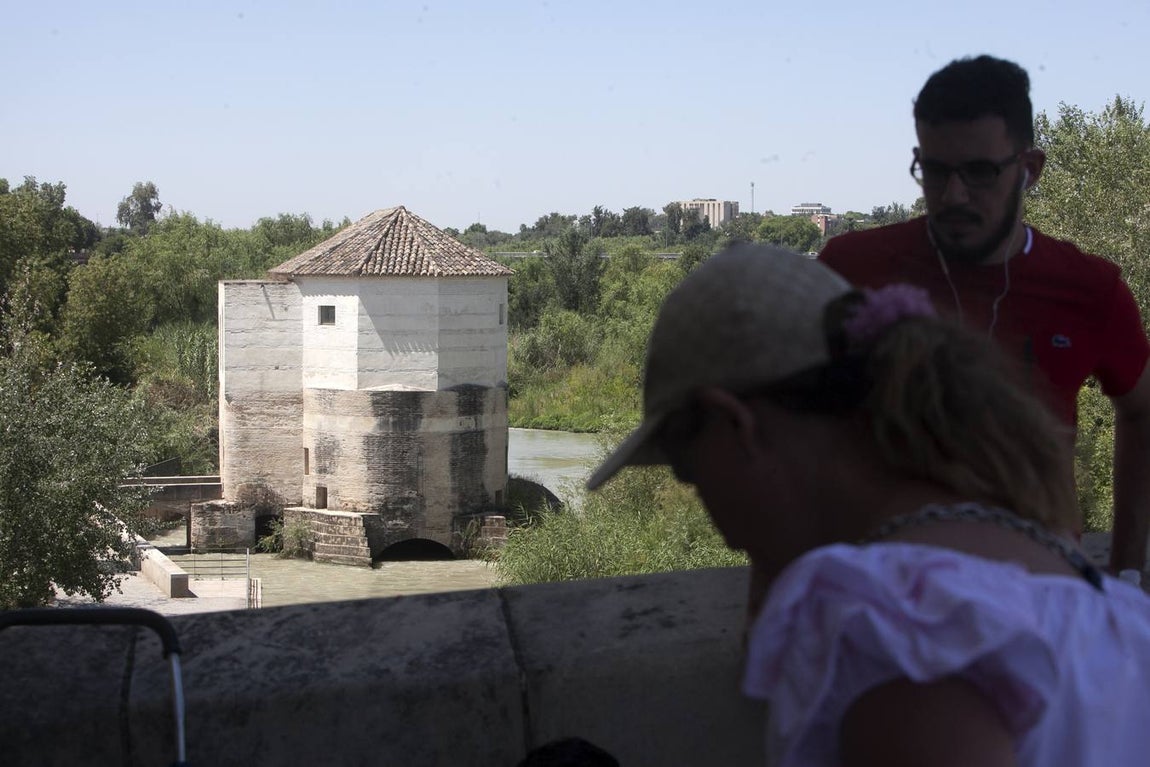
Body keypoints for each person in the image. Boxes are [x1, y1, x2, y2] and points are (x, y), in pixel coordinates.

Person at [586, 244, 1150, 766]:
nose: (722, 530)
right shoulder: (1100, 604)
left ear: (736, 427)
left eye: (691, 472)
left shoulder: (897, 624)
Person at [818, 55, 1150, 577]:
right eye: (935, 170)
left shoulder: (1090, 289)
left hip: (1039, 594)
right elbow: (787, 427)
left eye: (979, 172)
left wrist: (1129, 571)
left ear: (1030, 169)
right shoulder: (849, 268)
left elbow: (1142, 408)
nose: (953, 195)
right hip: (880, 593)